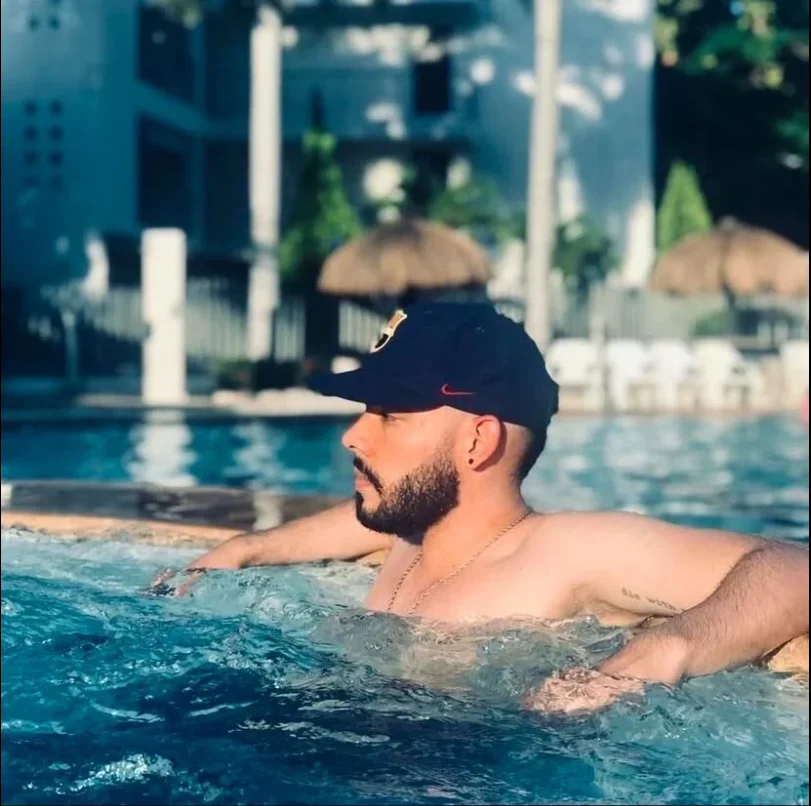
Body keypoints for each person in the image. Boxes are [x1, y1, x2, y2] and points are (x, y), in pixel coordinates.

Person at [154, 303, 809, 712]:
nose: (353, 435)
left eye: (389, 416)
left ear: (478, 439)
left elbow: (792, 567)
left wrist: (654, 656)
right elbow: (356, 520)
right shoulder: (414, 532)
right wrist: (246, 549)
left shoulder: (562, 552)